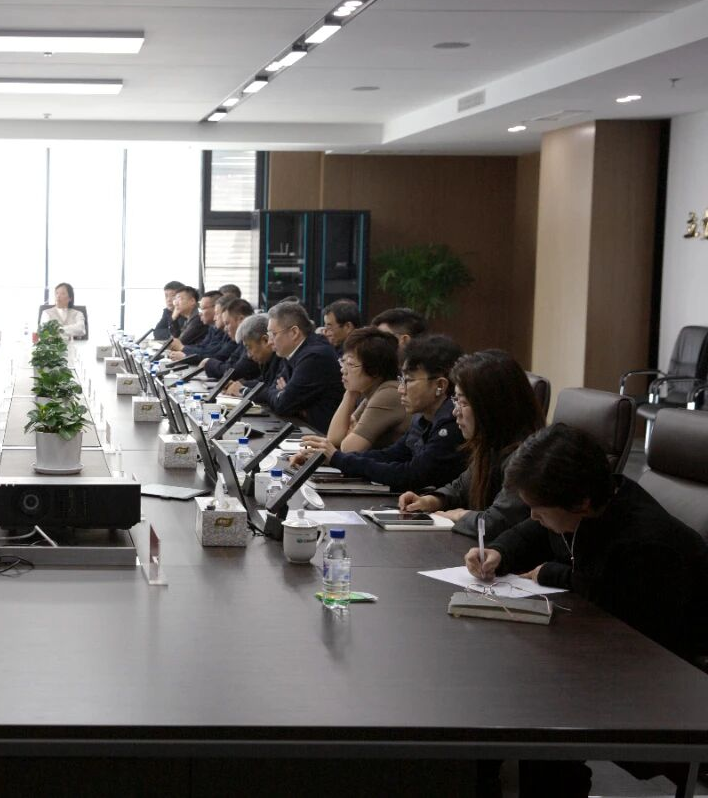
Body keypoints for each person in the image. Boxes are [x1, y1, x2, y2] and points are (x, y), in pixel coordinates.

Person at [465, 424, 708, 798]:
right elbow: (540, 532)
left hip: (664, 681)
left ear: (580, 502)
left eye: (538, 508)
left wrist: (551, 572)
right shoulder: (595, 503)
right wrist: (500, 551)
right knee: (494, 688)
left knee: (534, 709)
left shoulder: (646, 544)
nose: (532, 516)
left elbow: (614, 608)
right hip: (603, 652)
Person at [291, 335, 466, 493]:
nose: (401, 389)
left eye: (409, 381)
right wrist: (329, 457)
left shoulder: (452, 423)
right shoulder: (422, 417)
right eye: (401, 380)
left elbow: (410, 474)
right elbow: (391, 455)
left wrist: (339, 458)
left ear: (440, 385)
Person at [398, 349, 543, 539]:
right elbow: (461, 487)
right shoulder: (492, 443)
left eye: (463, 403)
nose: (454, 412)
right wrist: (432, 500)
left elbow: (496, 523)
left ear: (492, 406)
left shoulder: (527, 457)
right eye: (455, 400)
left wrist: (460, 515)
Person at [228, 301, 343, 434]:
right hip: (302, 426)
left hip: (319, 434)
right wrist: (282, 394)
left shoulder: (315, 356)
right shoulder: (293, 352)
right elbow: (273, 387)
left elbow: (282, 404)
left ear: (294, 332)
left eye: (273, 334)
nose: (270, 341)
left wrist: (283, 394)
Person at [296, 327, 408, 455]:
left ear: (375, 370)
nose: (343, 370)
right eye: (343, 362)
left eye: (350, 364)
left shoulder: (388, 393)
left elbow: (348, 448)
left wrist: (351, 432)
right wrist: (350, 393)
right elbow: (335, 438)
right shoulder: (371, 392)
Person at [202, 298, 256, 380]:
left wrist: (208, 362)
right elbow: (230, 363)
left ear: (241, 320)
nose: (225, 329)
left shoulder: (254, 341)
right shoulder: (242, 342)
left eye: (227, 323)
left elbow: (234, 372)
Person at [169, 291, 223, 360]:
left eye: (203, 309)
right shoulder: (212, 327)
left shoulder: (198, 321)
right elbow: (202, 347)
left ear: (216, 309)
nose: (176, 303)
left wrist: (183, 349)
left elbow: (211, 354)